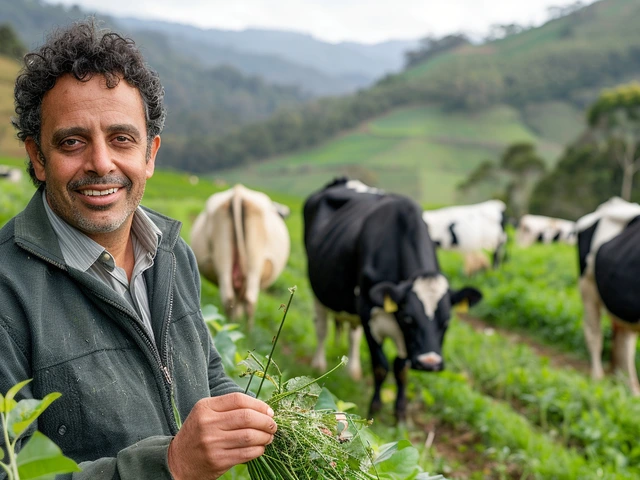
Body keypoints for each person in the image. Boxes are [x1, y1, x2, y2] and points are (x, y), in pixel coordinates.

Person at [0, 19, 276, 480]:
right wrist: (168, 464)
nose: (101, 163)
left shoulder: (172, 254)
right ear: (36, 157)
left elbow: (207, 376)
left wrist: (273, 423)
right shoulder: (8, 292)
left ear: (150, 153)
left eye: (122, 139)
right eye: (72, 141)